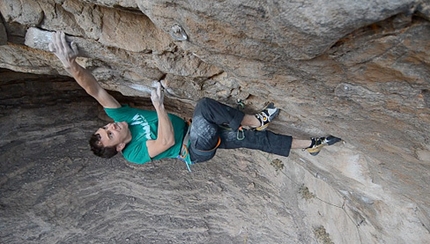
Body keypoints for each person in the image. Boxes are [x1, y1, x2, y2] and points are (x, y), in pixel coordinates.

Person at [49, 31, 341, 170]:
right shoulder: (134, 154)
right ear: (120, 145)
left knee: (252, 141)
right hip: (195, 147)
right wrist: (159, 107)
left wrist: (70, 66)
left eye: (106, 127)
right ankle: (256, 120)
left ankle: (312, 145)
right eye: (111, 134)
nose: (112, 126)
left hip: (197, 132)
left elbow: (95, 90)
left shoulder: (123, 115)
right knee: (203, 108)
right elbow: (165, 142)